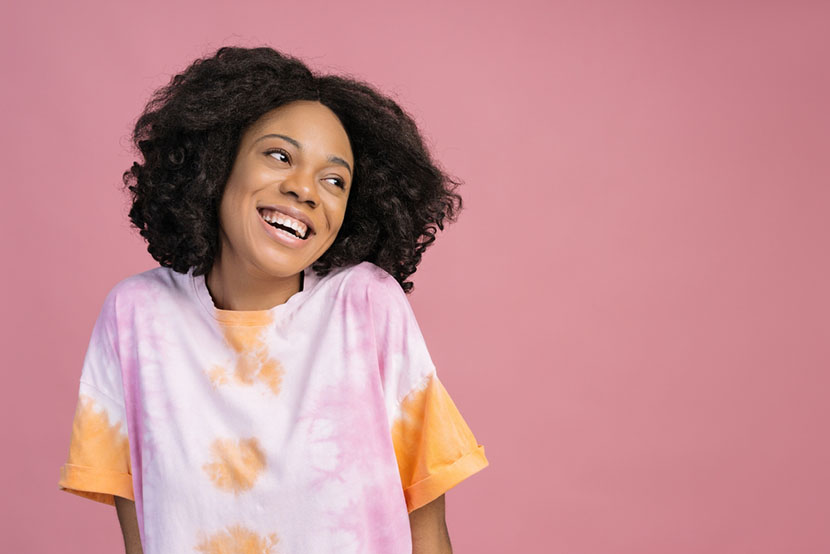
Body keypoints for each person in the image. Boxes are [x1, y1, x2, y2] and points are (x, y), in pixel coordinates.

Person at [57, 45, 488, 554]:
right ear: (217, 163)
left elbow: (427, 530)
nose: (306, 190)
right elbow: (142, 539)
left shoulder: (366, 307)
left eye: (334, 181)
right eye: (280, 155)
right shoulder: (135, 317)